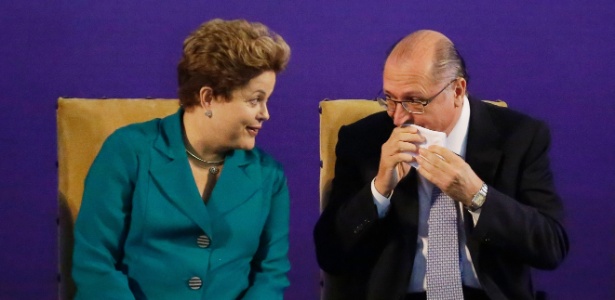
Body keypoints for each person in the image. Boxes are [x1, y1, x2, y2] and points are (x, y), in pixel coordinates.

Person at [314, 30, 569, 300]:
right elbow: (330, 255)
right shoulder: (364, 141)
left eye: (414, 101)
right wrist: (379, 190)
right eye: (389, 99)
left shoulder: (519, 137)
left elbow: (551, 246)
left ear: (457, 90)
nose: (399, 118)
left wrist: (478, 196)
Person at [72, 19, 291, 299]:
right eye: (254, 100)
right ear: (208, 98)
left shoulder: (269, 175)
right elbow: (94, 264)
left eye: (266, 101)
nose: (265, 113)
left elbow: (271, 276)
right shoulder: (129, 151)